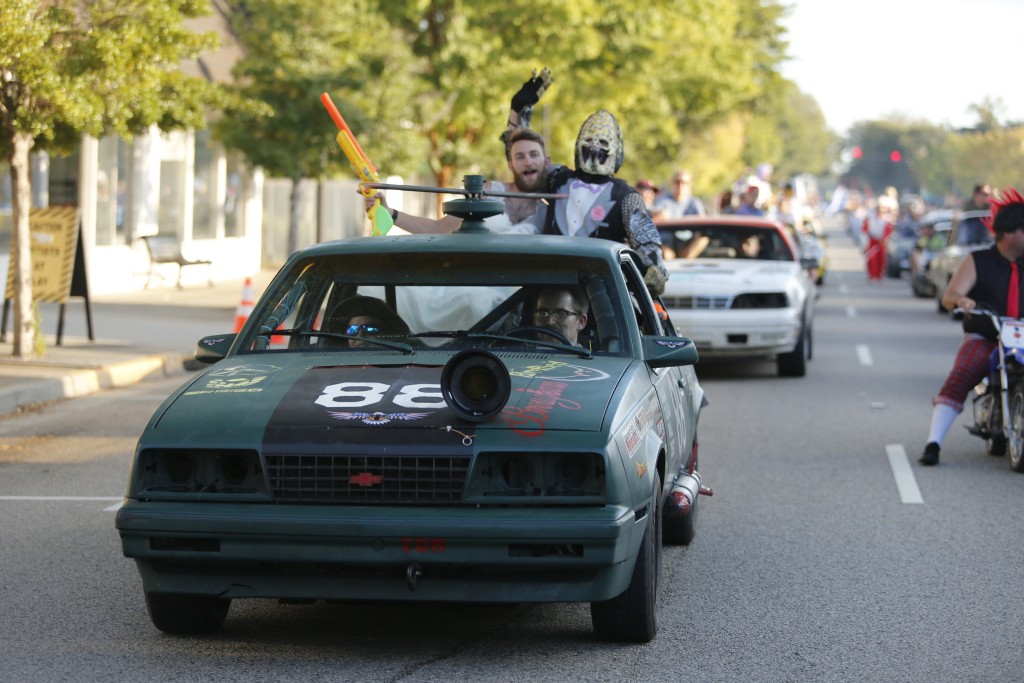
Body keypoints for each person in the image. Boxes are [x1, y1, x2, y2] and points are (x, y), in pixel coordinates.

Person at [919, 188, 1024, 466]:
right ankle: (933, 442)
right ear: (1009, 232)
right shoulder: (977, 261)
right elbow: (950, 296)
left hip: (1021, 339)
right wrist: (962, 300)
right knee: (963, 372)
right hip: (987, 336)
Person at [536, 108, 669, 295]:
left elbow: (645, 237)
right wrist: (519, 114)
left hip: (599, 292)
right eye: (589, 141)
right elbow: (526, 166)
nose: (594, 148)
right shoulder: (556, 178)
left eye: (603, 143)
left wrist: (655, 268)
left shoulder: (626, 196)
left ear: (615, 149)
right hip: (548, 283)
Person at [324, 295, 410, 348]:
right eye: (352, 330)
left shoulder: (400, 365)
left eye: (370, 329)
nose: (360, 335)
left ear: (386, 335)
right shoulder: (336, 366)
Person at [861, 196, 895, 281]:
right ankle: (873, 275)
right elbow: (864, 229)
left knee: (881, 259)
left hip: (881, 242)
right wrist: (865, 241)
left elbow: (888, 230)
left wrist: (886, 239)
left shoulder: (887, 219)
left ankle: (879, 275)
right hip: (872, 241)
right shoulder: (870, 217)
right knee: (872, 259)